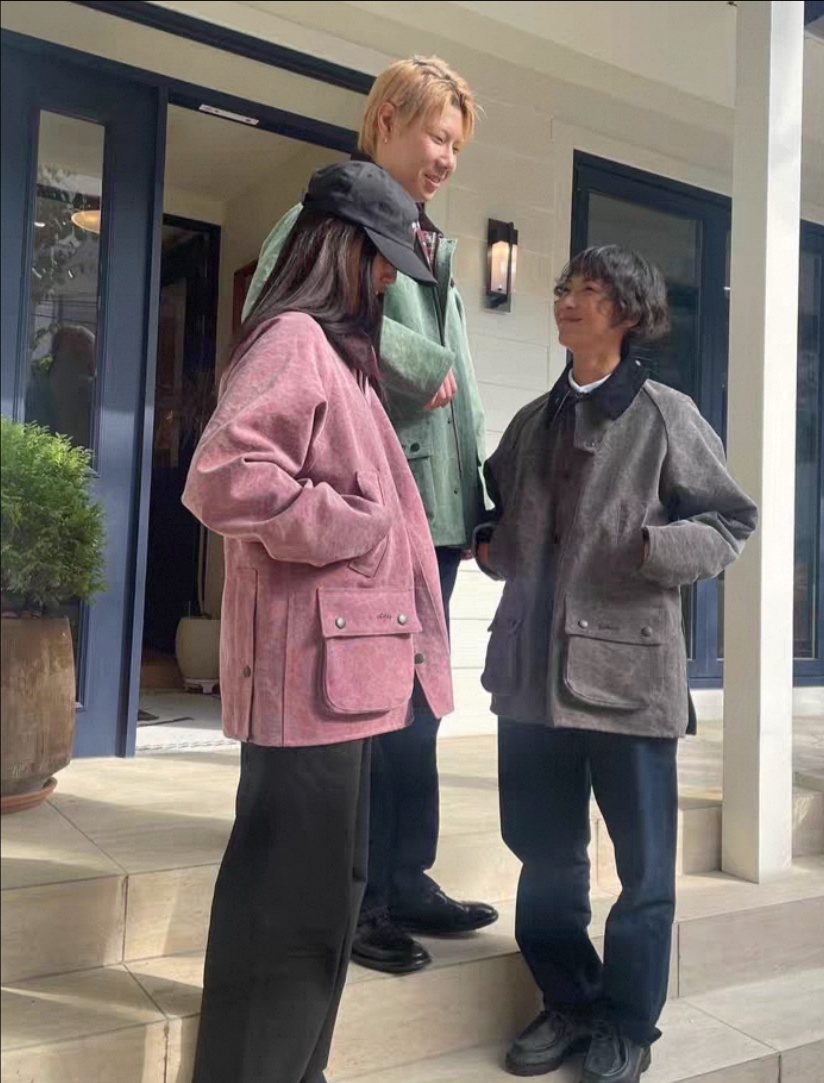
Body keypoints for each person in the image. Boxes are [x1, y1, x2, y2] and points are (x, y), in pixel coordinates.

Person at [181, 160, 453, 1083]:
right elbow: (226, 476)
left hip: (346, 682)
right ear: (341, 251)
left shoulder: (343, 360)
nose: (386, 283)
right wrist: (352, 523)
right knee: (287, 912)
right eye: (379, 263)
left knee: (323, 906)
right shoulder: (294, 340)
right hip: (307, 679)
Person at [474, 246, 758, 1083]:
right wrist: (490, 546)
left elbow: (730, 521)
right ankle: (567, 998)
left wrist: (652, 548)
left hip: (630, 682)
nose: (568, 299)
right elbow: (496, 511)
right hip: (529, 677)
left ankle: (628, 1023)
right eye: (565, 287)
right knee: (544, 853)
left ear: (628, 313)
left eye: (589, 290)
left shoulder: (667, 415)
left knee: (643, 869)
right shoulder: (533, 420)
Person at [243, 56, 497, 976]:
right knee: (368, 713)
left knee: (417, 710)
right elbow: (280, 314)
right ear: (386, 119)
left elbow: (465, 398)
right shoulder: (323, 220)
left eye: (457, 145)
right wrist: (419, 366)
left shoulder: (431, 239)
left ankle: (405, 875)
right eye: (437, 136)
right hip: (376, 514)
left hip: (438, 513)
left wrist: (480, 502)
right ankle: (358, 901)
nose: (447, 158)